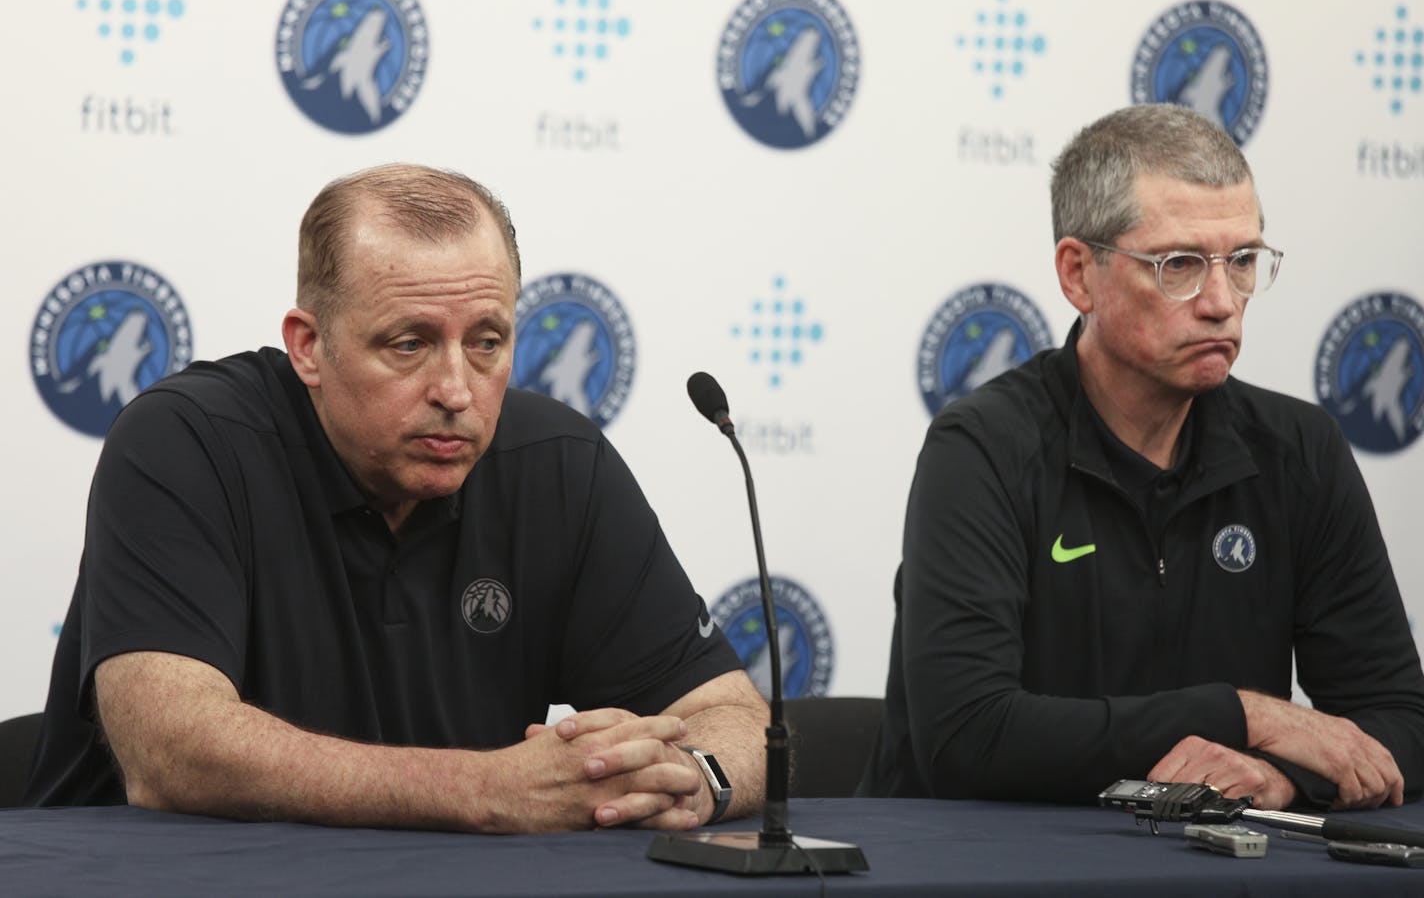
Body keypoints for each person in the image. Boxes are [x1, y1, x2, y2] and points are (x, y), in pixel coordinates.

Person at [25, 163, 768, 833]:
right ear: (309, 347)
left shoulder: (559, 462)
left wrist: (691, 780)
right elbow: (171, 749)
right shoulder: (186, 442)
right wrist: (488, 789)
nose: (455, 391)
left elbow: (731, 714)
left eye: (486, 341)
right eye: (408, 343)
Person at [861, 104, 1424, 811]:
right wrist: (1246, 716)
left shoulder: (1298, 450)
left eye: (1243, 261)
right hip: (988, 866)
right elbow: (969, 736)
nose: (1222, 302)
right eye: (1179, 265)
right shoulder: (981, 447)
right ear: (1079, 275)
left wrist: (1285, 778)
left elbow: (1400, 720)